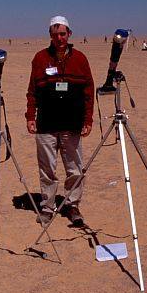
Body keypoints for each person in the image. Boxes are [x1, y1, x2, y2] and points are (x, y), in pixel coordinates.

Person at [26, 15, 94, 226]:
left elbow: (88, 91)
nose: (59, 38)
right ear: (50, 35)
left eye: (62, 34)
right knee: (47, 168)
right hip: (46, 123)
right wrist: (31, 116)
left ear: (69, 34)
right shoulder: (40, 58)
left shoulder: (80, 59)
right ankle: (47, 206)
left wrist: (88, 119)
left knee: (74, 168)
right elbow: (32, 91)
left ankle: (72, 205)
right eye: (55, 35)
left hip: (72, 123)